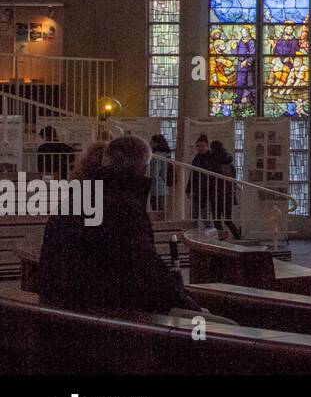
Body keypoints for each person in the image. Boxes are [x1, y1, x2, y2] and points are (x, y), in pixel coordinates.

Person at [35, 135, 201, 315]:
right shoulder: (124, 208)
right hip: (107, 313)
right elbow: (148, 272)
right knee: (218, 325)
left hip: (62, 307)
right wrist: (191, 305)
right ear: (144, 169)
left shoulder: (75, 199)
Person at [208, 140, 241, 240]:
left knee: (217, 219)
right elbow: (233, 181)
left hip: (218, 194)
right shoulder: (229, 163)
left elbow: (213, 179)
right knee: (227, 219)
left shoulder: (214, 162)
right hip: (228, 194)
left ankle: (222, 238)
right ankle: (236, 236)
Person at [148, 133, 172, 213]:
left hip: (156, 188)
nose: (149, 144)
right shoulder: (166, 155)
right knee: (162, 212)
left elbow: (154, 173)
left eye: (151, 142)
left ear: (156, 143)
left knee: (157, 211)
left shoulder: (156, 157)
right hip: (164, 187)